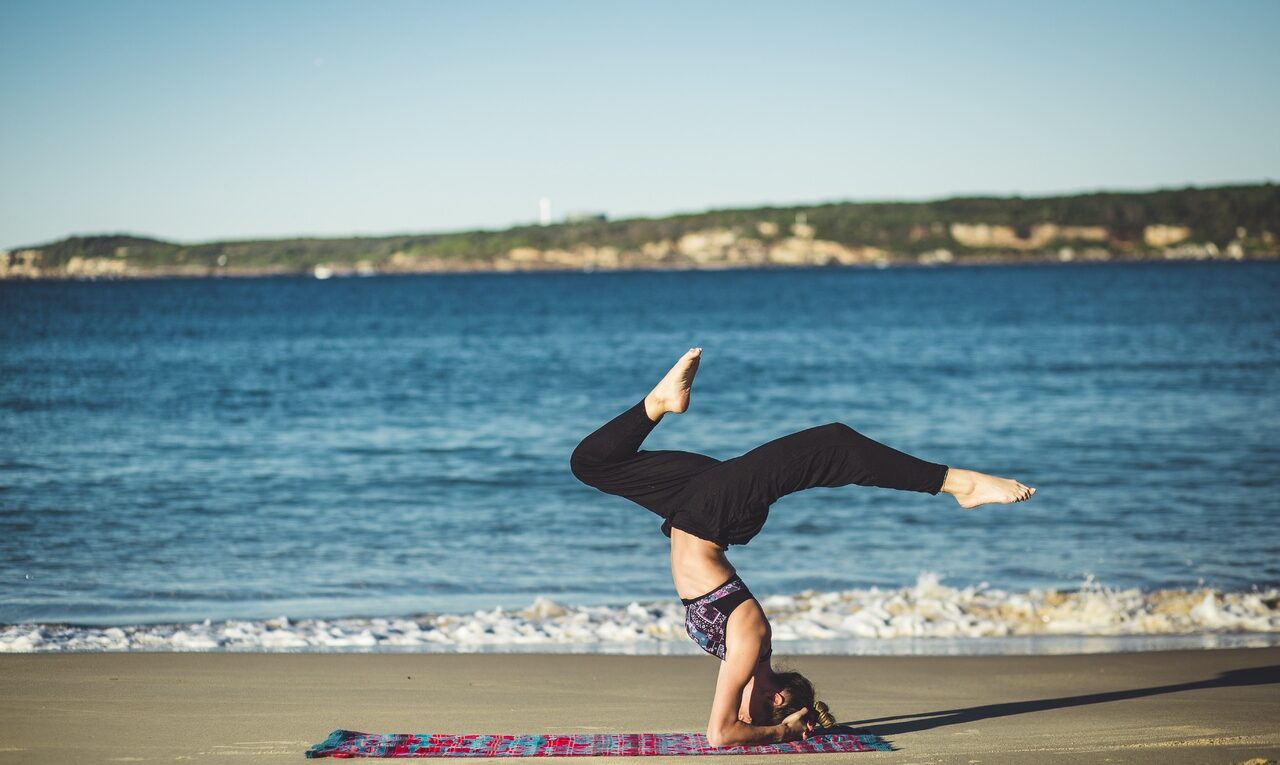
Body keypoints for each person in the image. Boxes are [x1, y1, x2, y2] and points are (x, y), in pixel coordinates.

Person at [570, 348, 1035, 747]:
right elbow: (722, 733)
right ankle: (960, 484)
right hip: (714, 514)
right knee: (834, 442)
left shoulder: (739, 656)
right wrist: (783, 732)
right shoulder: (750, 640)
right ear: (777, 697)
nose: (739, 710)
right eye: (753, 712)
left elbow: (725, 729)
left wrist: (793, 724)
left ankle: (659, 403)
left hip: (691, 506)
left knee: (591, 463)